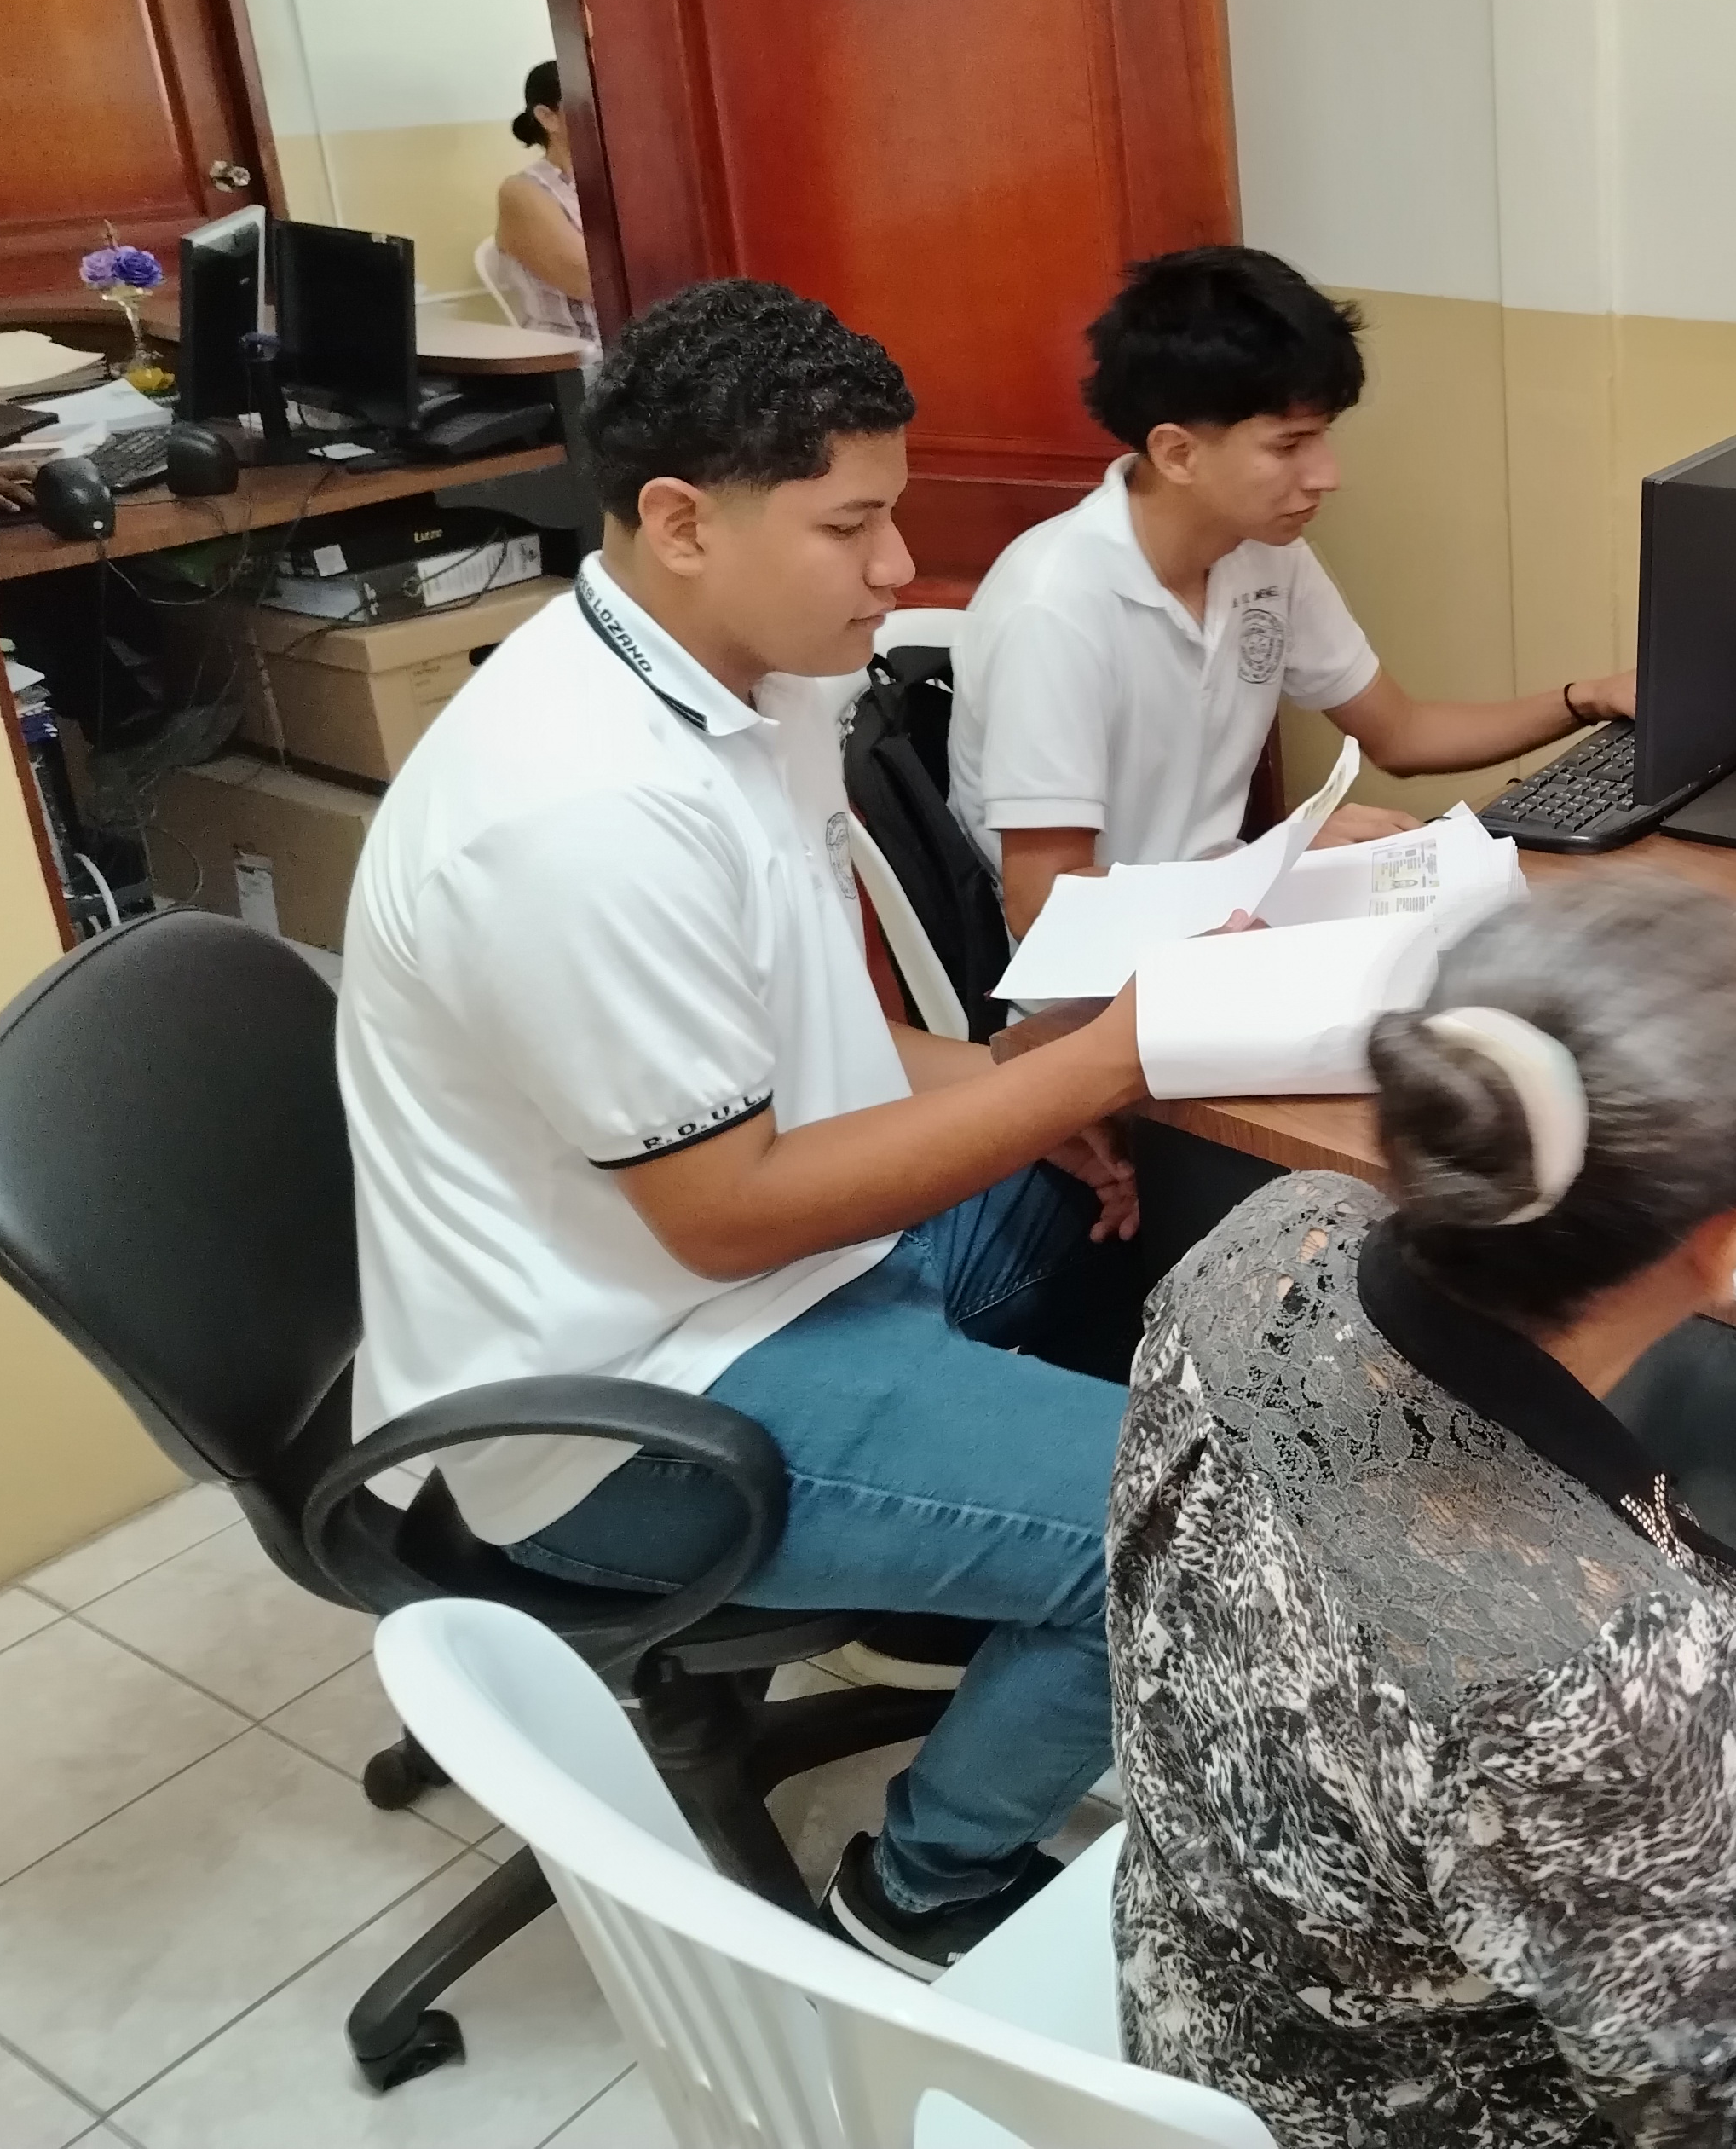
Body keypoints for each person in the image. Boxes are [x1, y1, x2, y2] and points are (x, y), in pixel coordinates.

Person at [338, 278, 1148, 1976]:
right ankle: (923, 1890)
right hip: (630, 1404)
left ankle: (982, 1576)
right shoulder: (576, 811)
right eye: (849, 526)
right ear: (682, 522)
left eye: (891, 512)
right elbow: (728, 1214)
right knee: (1190, 1520)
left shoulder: (750, 684)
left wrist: (1013, 1101)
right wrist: (1077, 1075)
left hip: (768, 1282)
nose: (896, 566)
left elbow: (809, 1036)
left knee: (1135, 1204)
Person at [1105, 876, 1736, 2147]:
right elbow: (1725, 2115)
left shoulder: (1267, 1244)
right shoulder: (1605, 1677)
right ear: (1725, 1241)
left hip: (1200, 1987)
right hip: (1402, 2113)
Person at [949, 246, 1639, 935]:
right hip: (1108, 973)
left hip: (1234, 923)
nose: (1326, 475)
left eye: (1322, 437)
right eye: (1289, 446)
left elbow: (1401, 734)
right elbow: (1044, 904)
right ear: (1178, 453)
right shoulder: (1054, 608)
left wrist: (1586, 699)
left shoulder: (1264, 553)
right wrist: (1276, 863)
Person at [490, 58, 597, 350]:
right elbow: (593, 281)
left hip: (640, 353)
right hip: (576, 357)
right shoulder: (522, 192)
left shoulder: (620, 180)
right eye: (591, 99)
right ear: (548, 118)